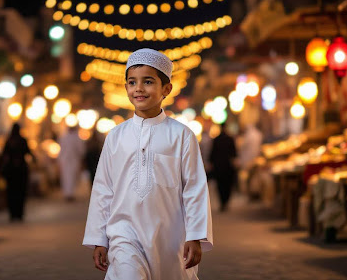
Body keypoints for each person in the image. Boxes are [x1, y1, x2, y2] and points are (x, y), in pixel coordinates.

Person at [83, 48, 213, 280]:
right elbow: (103, 188)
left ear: (166, 89)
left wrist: (195, 235)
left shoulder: (181, 135)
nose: (139, 89)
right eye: (132, 82)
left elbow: (194, 188)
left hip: (170, 237)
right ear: (126, 88)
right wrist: (98, 238)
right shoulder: (116, 136)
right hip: (123, 234)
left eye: (148, 82)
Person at [0, 123, 33, 222]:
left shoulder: (9, 141)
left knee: (11, 193)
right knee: (20, 193)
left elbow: (3, 155)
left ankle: (13, 214)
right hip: (21, 171)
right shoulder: (22, 140)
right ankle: (19, 213)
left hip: (11, 172)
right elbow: (28, 153)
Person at [209, 122, 238, 212]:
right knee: (228, 185)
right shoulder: (230, 139)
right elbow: (234, 153)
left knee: (220, 185)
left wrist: (211, 164)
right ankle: (226, 202)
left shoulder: (216, 139)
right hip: (228, 166)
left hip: (218, 166)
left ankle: (223, 202)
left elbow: (212, 154)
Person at [58, 125, 85, 201]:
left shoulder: (64, 138)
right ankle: (69, 193)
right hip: (72, 160)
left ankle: (68, 193)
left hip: (68, 160)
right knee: (70, 176)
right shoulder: (76, 138)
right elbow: (81, 150)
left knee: (67, 176)